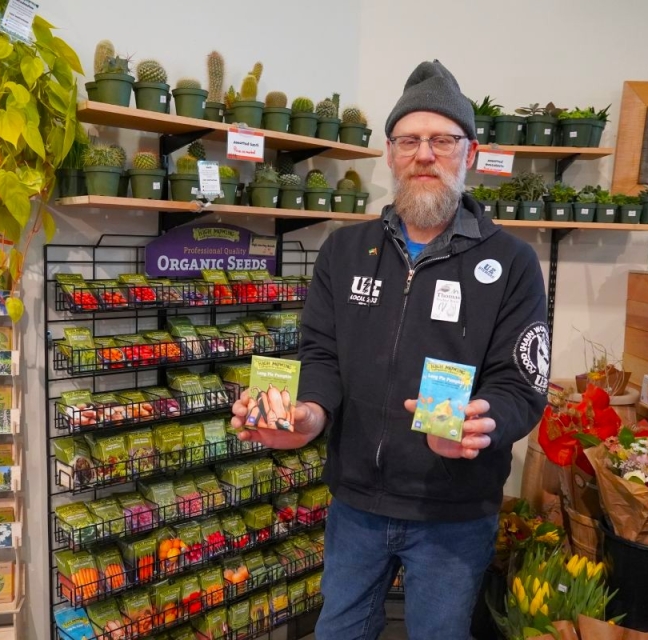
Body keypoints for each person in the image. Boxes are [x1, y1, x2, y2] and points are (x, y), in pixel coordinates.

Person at [231, 59, 549, 640]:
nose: (424, 154)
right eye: (409, 140)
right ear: (390, 152)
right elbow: (320, 355)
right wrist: (306, 414)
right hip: (356, 505)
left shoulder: (511, 263)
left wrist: (482, 423)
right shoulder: (345, 250)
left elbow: (520, 381)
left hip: (454, 515)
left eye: (442, 140)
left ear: (469, 153)